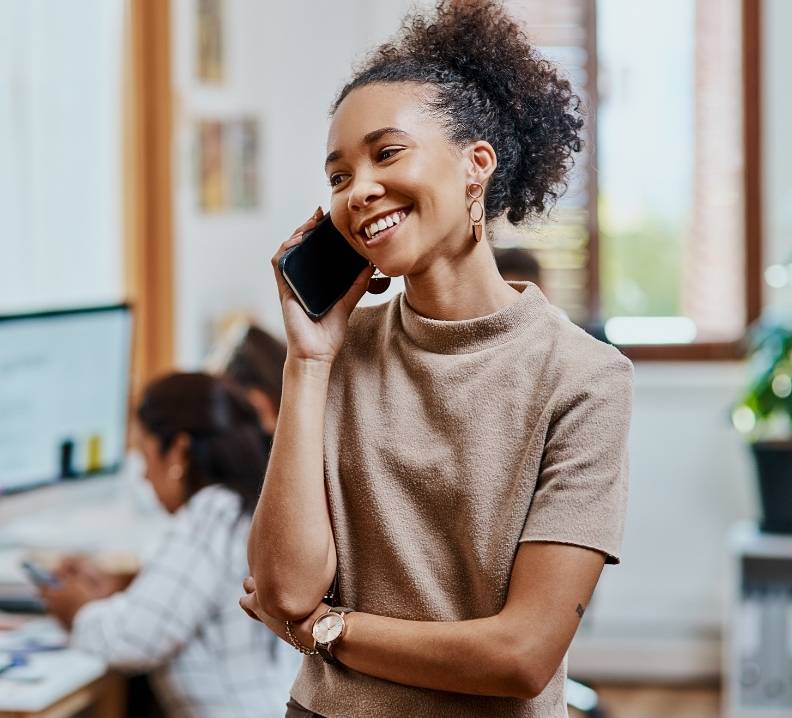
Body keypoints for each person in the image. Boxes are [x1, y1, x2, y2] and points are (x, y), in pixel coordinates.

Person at [240, 2, 634, 716]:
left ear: (474, 164)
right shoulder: (335, 354)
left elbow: (520, 656)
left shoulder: (583, 379)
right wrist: (306, 360)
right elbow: (285, 592)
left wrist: (330, 629)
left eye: (386, 154)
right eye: (337, 176)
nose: (358, 191)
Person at [42, 372, 299, 717]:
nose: (145, 476)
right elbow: (186, 601)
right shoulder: (248, 505)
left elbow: (132, 640)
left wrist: (76, 608)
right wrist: (122, 587)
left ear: (178, 450)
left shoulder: (213, 513)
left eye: (145, 455)